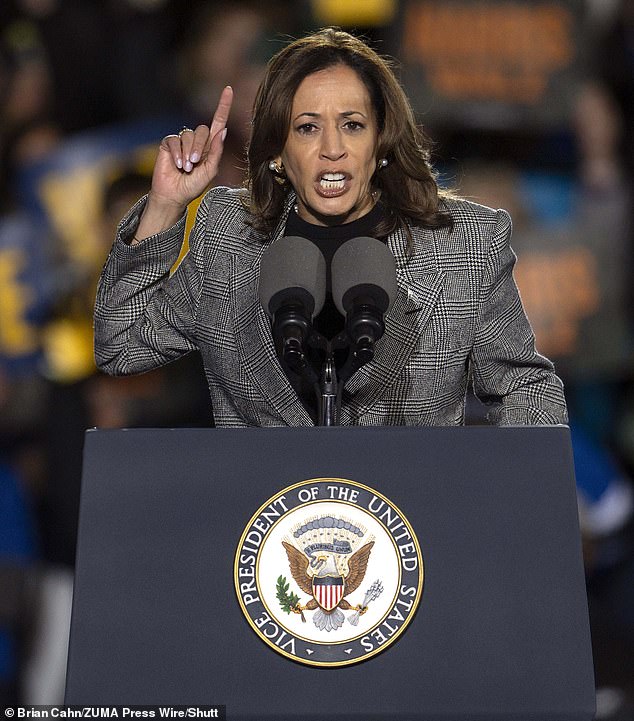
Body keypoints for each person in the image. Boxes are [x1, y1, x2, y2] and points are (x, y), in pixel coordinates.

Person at [94, 27, 567, 428]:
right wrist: (164, 205)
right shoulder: (226, 238)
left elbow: (524, 387)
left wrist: (509, 506)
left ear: (381, 141)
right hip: (264, 526)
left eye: (353, 124)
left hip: (412, 524)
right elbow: (120, 346)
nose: (333, 148)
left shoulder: (463, 244)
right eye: (307, 128)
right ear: (277, 153)